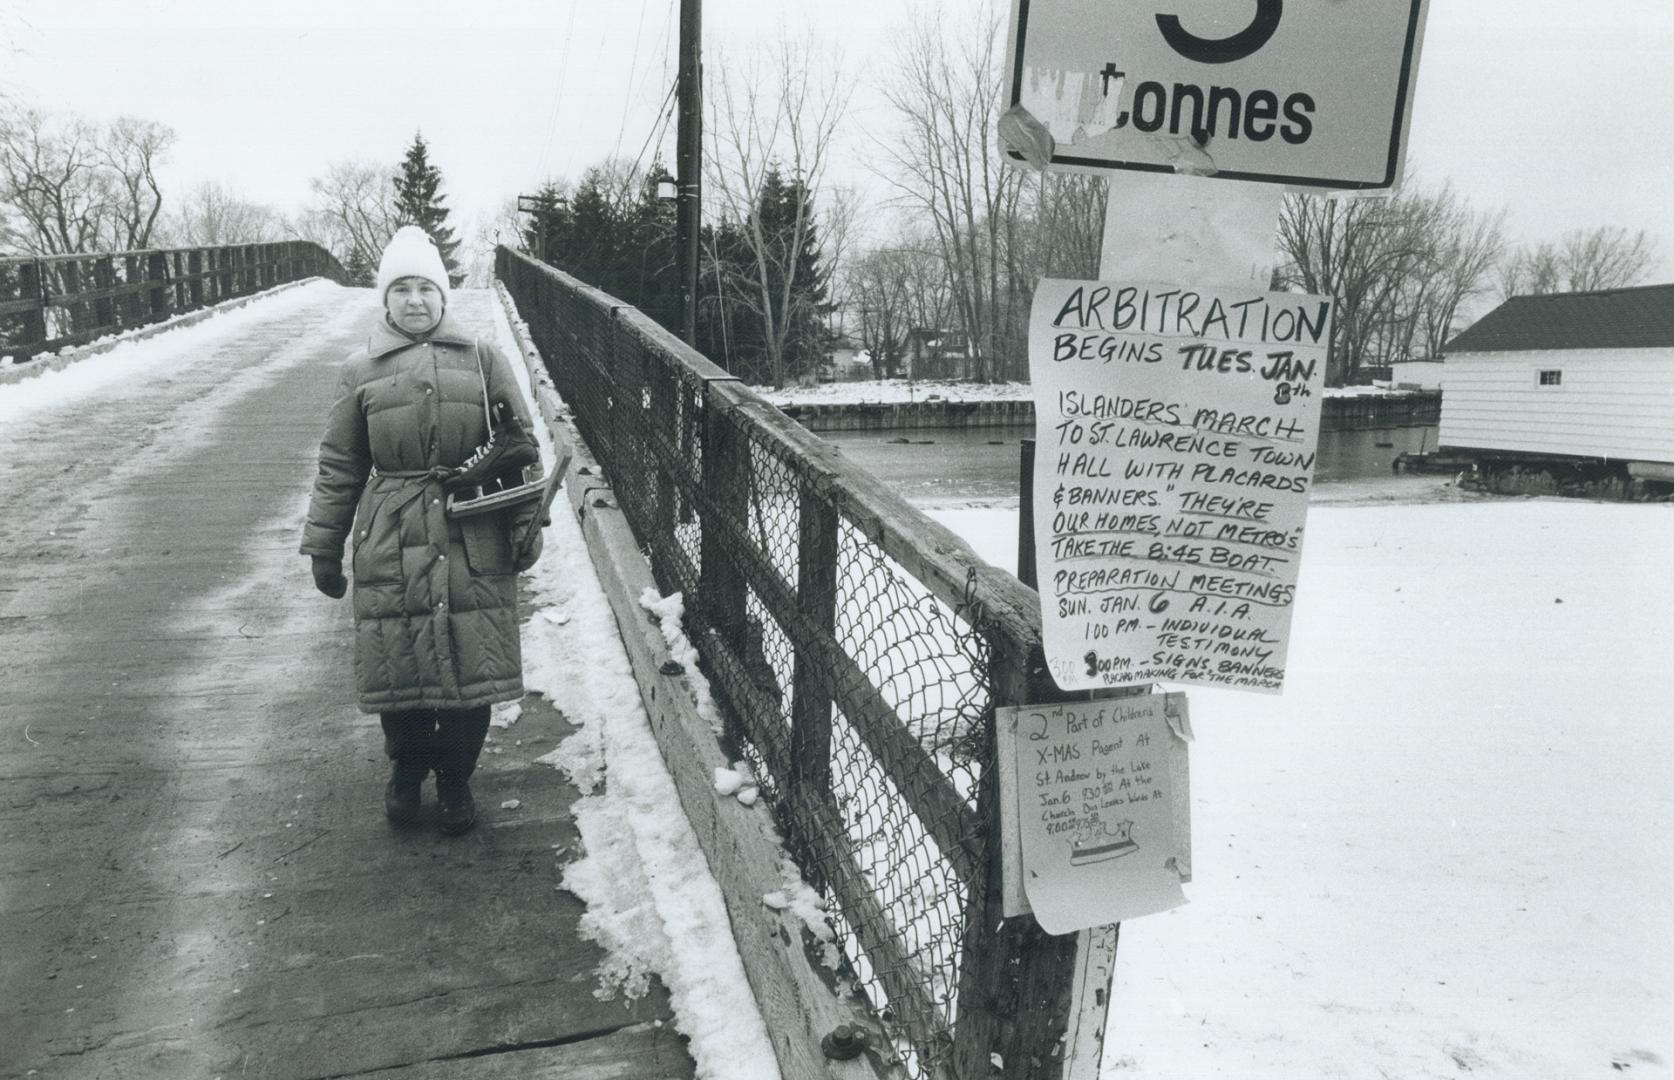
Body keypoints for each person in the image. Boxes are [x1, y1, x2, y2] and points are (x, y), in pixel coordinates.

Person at [300, 226, 544, 835]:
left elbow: (521, 449)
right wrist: (324, 545)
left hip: (473, 530)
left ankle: (457, 780)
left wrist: (526, 525)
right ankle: (406, 772)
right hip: (391, 531)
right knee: (399, 667)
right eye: (402, 289)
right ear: (385, 300)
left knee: (473, 666)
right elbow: (340, 465)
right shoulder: (360, 369)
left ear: (444, 295)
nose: (415, 300)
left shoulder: (484, 359)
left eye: (426, 288)